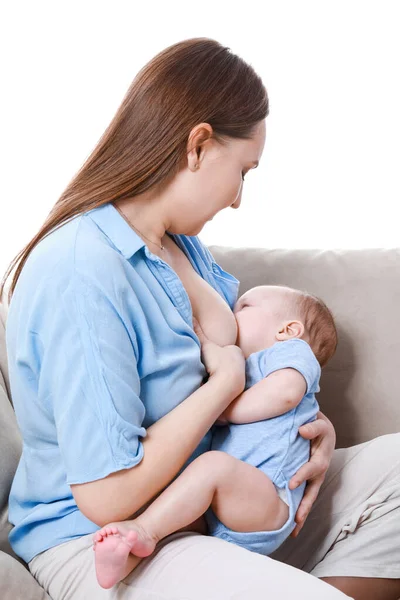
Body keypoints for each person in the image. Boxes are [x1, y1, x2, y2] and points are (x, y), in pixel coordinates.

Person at [1, 37, 399, 600]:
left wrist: (314, 436)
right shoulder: (82, 270)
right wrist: (228, 384)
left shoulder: (181, 247)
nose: (238, 197)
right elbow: (107, 496)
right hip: (102, 536)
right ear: (198, 145)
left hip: (215, 505)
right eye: (244, 170)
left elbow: (250, 345)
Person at [92, 284, 338, 589]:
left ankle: (143, 531)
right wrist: (208, 342)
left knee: (213, 467)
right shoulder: (248, 365)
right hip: (227, 505)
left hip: (271, 499)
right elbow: (223, 362)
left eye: (244, 308)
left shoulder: (291, 353)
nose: (233, 315)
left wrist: (224, 409)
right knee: (178, 502)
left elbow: (287, 394)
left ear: (288, 330)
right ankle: (122, 551)